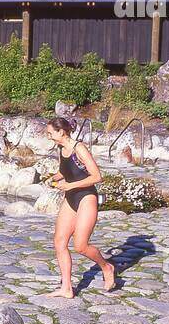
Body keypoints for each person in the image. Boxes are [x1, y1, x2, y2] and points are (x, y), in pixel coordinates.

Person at [44, 116, 117, 298]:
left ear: (61, 132)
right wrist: (53, 178)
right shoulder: (61, 148)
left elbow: (97, 176)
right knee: (59, 241)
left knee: (80, 246)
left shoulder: (80, 148)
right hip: (71, 198)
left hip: (86, 197)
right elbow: (65, 171)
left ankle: (106, 267)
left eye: (50, 133)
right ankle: (67, 288)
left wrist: (69, 186)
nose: (49, 137)